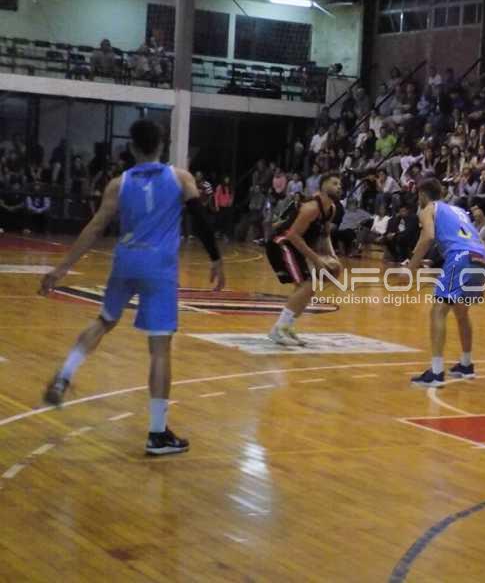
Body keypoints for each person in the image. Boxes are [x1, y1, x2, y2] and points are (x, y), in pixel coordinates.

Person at [39, 119, 225, 455]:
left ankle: (65, 374)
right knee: (160, 349)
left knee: (104, 321)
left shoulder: (118, 184)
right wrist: (215, 258)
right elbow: (199, 219)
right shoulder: (180, 177)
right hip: (159, 267)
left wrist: (61, 268)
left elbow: (95, 227)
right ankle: (157, 433)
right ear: (161, 145)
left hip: (126, 261)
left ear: (132, 148)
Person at [408, 178, 485, 387]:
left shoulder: (428, 208)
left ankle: (436, 373)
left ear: (422, 195)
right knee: (461, 311)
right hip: (481, 256)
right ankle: (466, 365)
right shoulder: (459, 210)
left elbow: (428, 237)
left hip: (461, 256)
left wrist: (411, 268)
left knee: (438, 310)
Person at [265, 172, 342, 345]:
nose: (338, 187)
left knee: (309, 287)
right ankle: (278, 329)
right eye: (334, 183)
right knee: (307, 285)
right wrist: (316, 260)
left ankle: (287, 327)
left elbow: (325, 235)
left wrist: (333, 257)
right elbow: (292, 235)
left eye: (340, 184)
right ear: (323, 186)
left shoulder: (331, 209)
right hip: (282, 243)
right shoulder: (311, 208)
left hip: (295, 246)